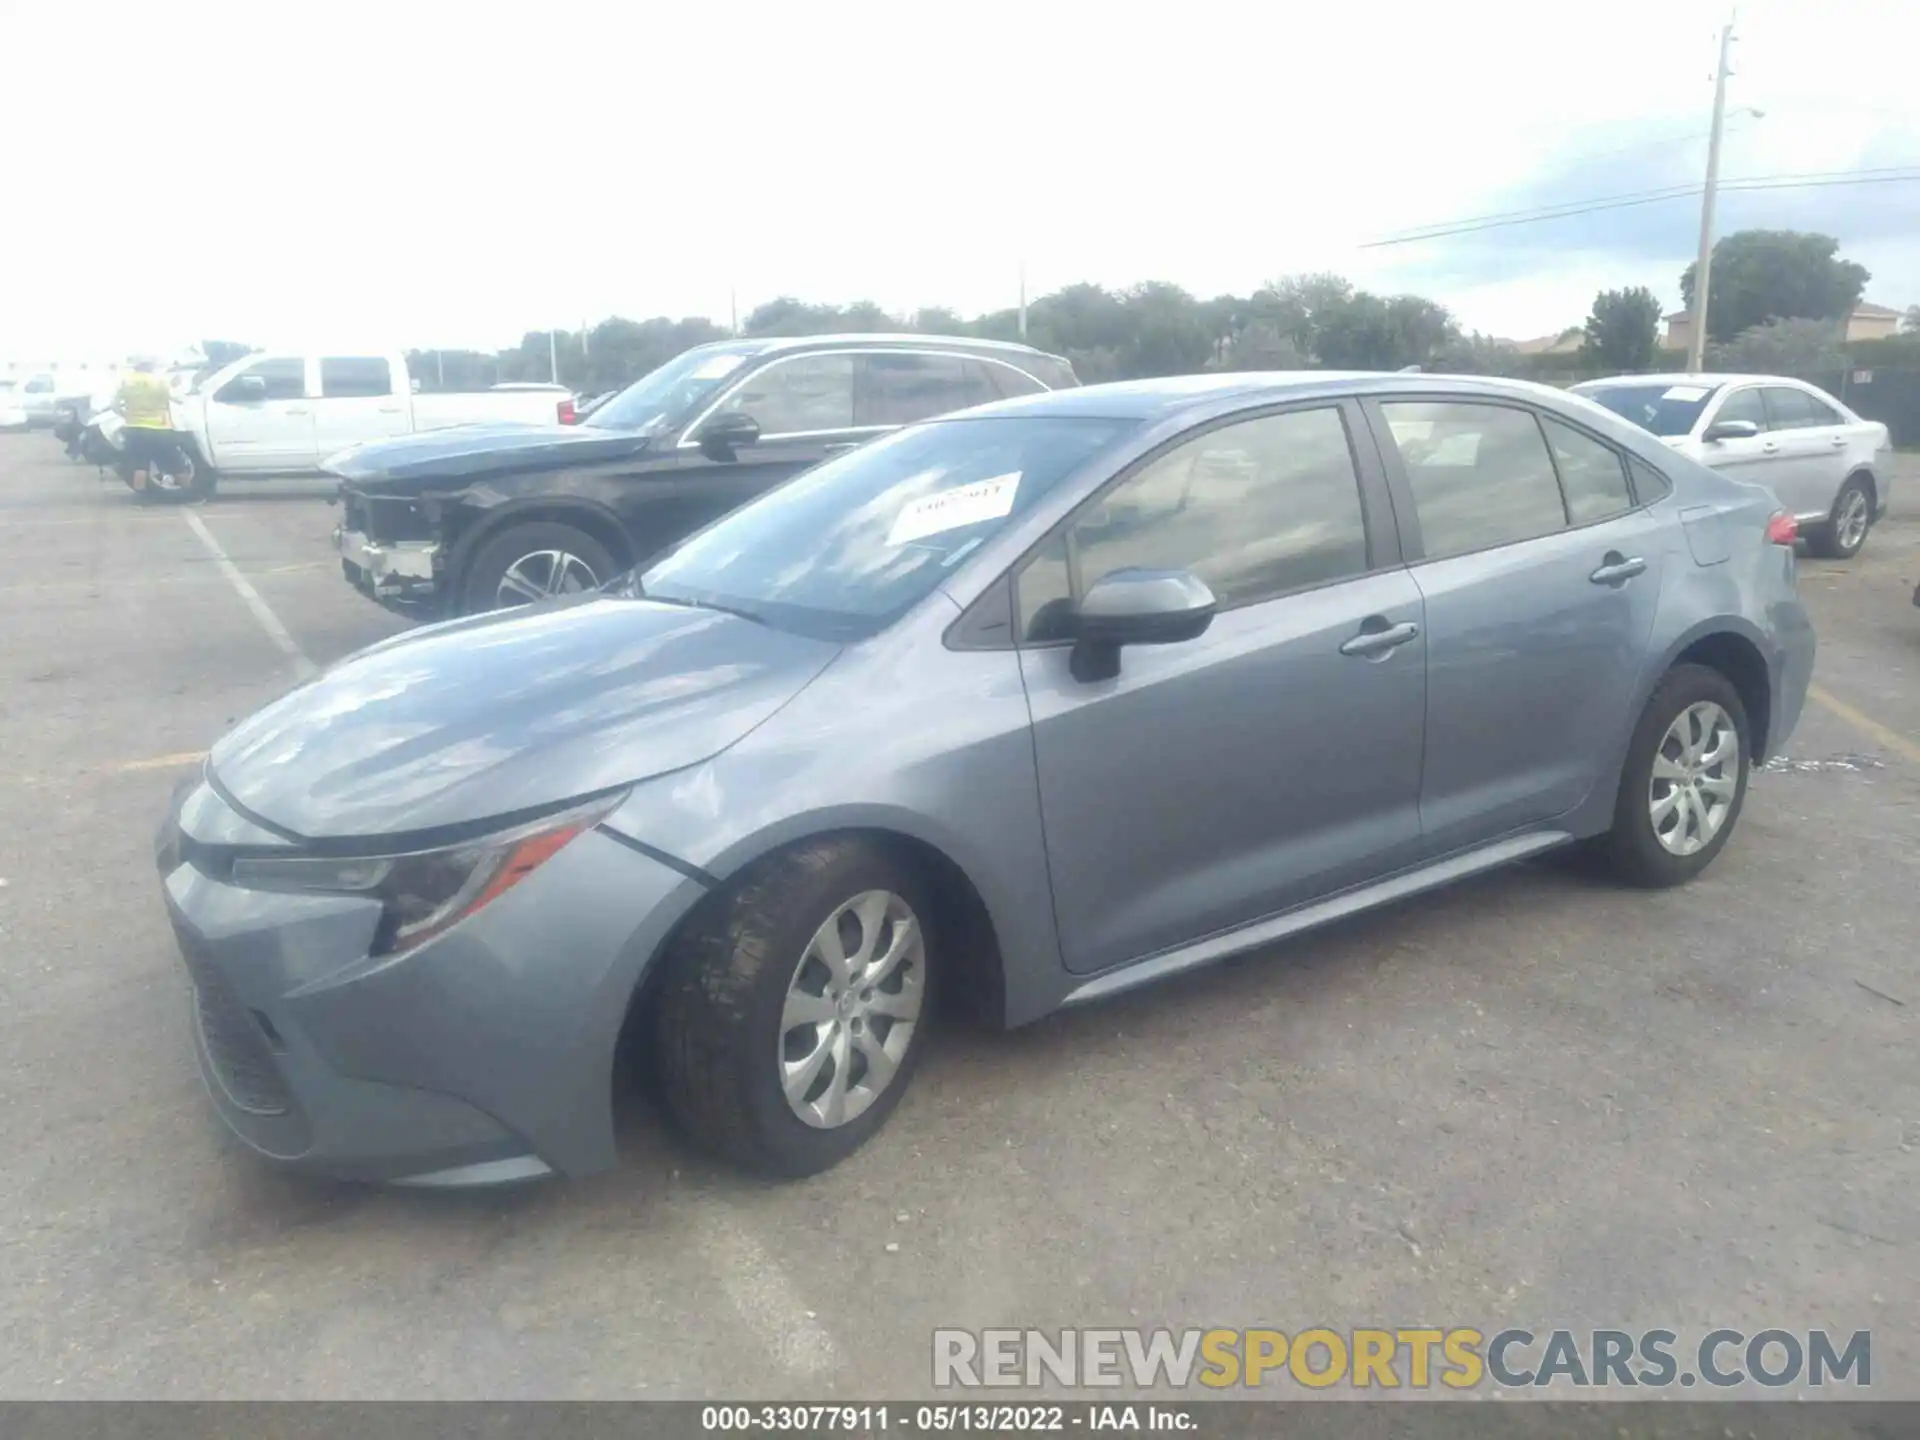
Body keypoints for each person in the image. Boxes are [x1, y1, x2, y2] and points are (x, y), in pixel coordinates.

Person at [115, 357, 180, 494]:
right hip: (160, 427)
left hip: (135, 427)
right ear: (150, 365)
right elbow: (175, 398)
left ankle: (141, 499)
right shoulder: (159, 381)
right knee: (175, 463)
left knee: (140, 466)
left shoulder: (126, 381)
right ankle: (190, 493)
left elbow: (114, 405)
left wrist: (125, 415)